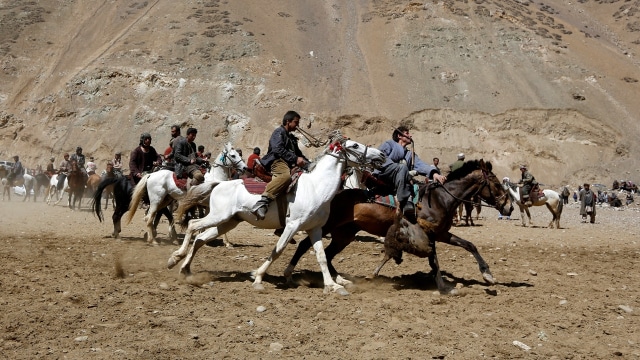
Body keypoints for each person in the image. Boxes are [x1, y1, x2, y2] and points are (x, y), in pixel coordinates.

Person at [375, 126, 446, 221]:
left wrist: (434, 174)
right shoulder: (389, 144)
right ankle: (403, 202)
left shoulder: (409, 154)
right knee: (402, 167)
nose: (410, 135)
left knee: (419, 186)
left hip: (402, 179)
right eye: (407, 133)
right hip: (385, 174)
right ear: (399, 135)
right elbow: (380, 157)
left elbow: (421, 165)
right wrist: (400, 169)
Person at [252, 111, 310, 220]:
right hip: (277, 161)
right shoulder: (278, 132)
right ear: (288, 121)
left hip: (288, 162)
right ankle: (262, 202)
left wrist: (310, 165)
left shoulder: (292, 138)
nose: (297, 125)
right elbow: (277, 149)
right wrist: (295, 159)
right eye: (296, 122)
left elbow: (299, 155)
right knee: (285, 177)